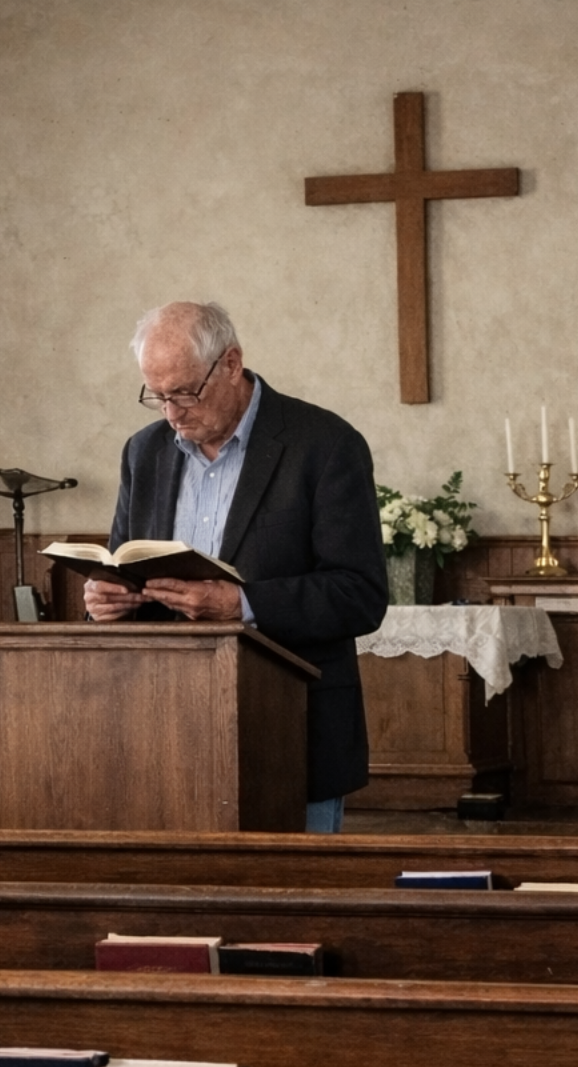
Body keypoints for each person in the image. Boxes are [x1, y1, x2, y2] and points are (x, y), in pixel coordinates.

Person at [84, 302, 388, 832]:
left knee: (293, 908)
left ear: (230, 363)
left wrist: (240, 604)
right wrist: (106, 602)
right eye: (157, 396)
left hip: (288, 733)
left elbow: (359, 593)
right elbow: (121, 564)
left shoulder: (324, 444)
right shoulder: (145, 452)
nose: (172, 412)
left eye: (184, 391)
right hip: (162, 739)